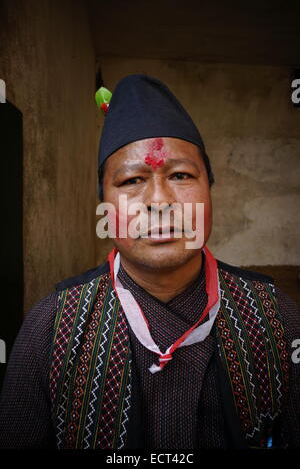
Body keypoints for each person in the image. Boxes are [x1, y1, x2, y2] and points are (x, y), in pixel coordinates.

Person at [0, 74, 299, 449]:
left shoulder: (278, 320)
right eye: (131, 181)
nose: (159, 201)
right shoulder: (49, 328)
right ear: (104, 204)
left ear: (210, 189)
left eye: (180, 175)